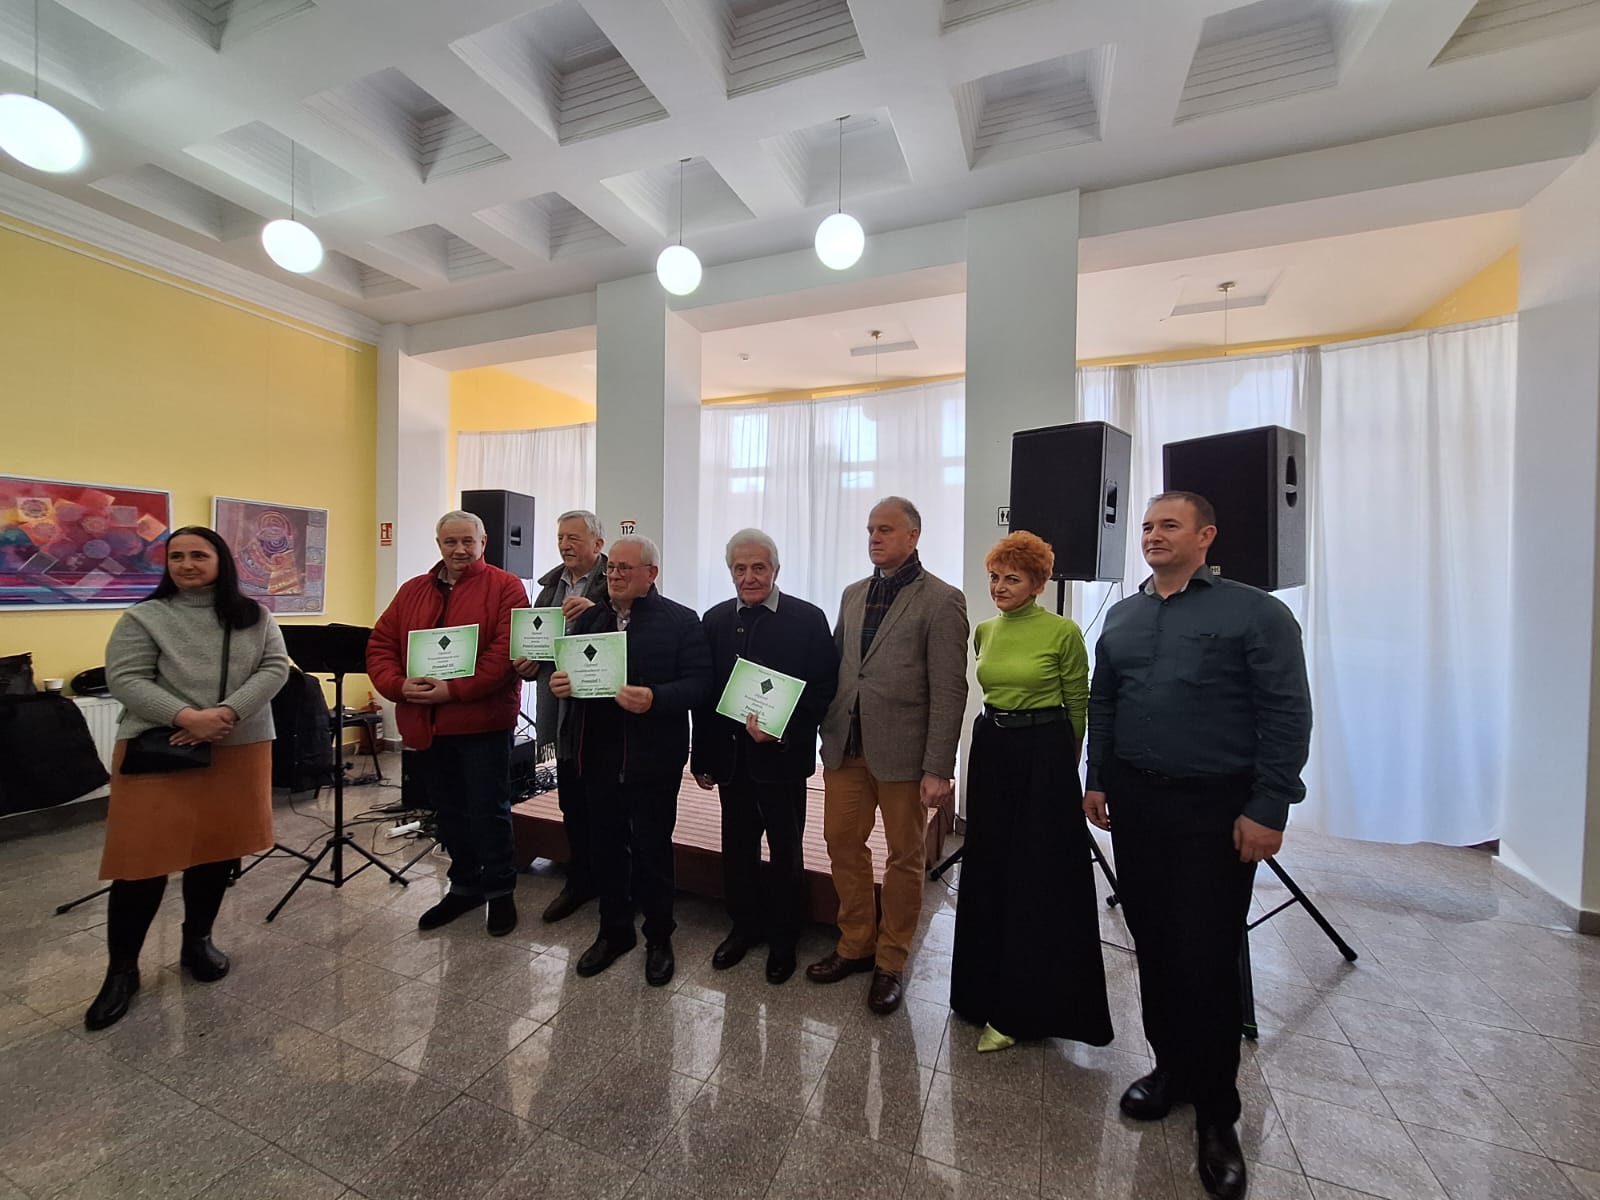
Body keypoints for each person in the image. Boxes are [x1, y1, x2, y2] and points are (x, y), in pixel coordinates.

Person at [1084, 491, 1312, 1200]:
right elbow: (1105, 702)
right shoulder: (1123, 616)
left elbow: (1286, 712)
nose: (1153, 535)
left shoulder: (1256, 614)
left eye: (1169, 525)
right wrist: (1097, 778)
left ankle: (1218, 1114)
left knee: (1207, 956)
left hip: (1215, 809)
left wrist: (1269, 806)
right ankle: (1171, 1072)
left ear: (1206, 536)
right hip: (1138, 803)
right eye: (1147, 526)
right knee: (1153, 943)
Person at [87, 526, 290, 1030]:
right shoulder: (144, 617)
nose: (186, 564)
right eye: (176, 556)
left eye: (198, 555)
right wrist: (187, 718)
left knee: (216, 853)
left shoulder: (255, 615)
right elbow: (125, 679)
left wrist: (227, 713)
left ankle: (197, 942)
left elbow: (274, 668)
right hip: (162, 749)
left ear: (221, 561)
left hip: (236, 747)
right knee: (140, 863)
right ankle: (121, 971)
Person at [949, 531, 1114, 1053]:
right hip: (992, 747)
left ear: (1039, 584)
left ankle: (1023, 1008)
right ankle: (979, 994)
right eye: (995, 577)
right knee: (988, 865)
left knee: (1035, 874)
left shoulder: (1063, 633)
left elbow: (1078, 705)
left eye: (1012, 579)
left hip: (1044, 753)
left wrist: (1068, 772)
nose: (999, 587)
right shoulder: (985, 631)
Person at [811, 497, 968, 1015]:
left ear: (913, 536)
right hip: (846, 747)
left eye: (885, 530)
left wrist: (939, 767)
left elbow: (950, 689)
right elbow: (841, 667)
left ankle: (891, 960)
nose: (874, 538)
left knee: (904, 857)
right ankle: (856, 942)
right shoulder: (853, 593)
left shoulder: (942, 600)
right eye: (870, 530)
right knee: (841, 842)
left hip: (904, 754)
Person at [552, 534, 711, 986]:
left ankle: (659, 936)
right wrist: (563, 685)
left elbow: (700, 684)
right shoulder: (591, 620)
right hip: (598, 756)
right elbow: (574, 676)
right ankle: (614, 931)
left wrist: (656, 698)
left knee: (653, 850)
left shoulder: (681, 620)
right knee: (605, 847)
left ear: (651, 574)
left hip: (653, 758)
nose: (615, 575)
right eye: (611, 568)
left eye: (625, 568)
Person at [367, 510, 529, 937]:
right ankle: (465, 886)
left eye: (467, 541)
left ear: (483, 542)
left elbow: (504, 655)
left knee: (489, 811)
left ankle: (500, 891)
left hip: (482, 723)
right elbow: (381, 645)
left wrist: (453, 691)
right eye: (450, 542)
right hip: (427, 724)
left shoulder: (506, 587)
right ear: (438, 544)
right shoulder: (412, 591)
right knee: (448, 812)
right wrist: (398, 685)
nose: (459, 550)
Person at [691, 529, 839, 984]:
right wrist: (702, 757)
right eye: (740, 568)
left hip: (782, 761)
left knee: (786, 850)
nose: (749, 577)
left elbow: (824, 690)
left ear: (776, 569)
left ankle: (784, 937)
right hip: (732, 762)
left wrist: (782, 731)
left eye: (759, 567)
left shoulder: (807, 619)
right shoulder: (715, 620)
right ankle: (744, 927)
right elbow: (705, 695)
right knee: (736, 849)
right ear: (730, 572)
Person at [513, 509, 608, 923]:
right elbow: (537, 643)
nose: (565, 545)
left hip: (602, 715)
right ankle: (579, 878)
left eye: (574, 538)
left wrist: (598, 610)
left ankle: (614, 881)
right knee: (572, 800)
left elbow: (636, 634)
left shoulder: (616, 579)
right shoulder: (549, 586)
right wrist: (526, 664)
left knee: (607, 804)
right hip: (561, 712)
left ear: (598, 544)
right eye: (561, 539)